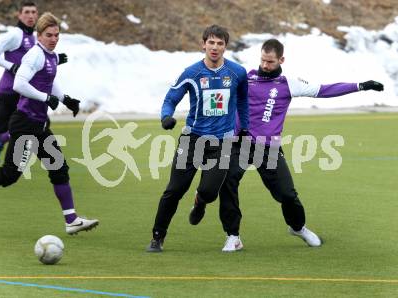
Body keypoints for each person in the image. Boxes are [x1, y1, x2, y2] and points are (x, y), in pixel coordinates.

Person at [214, 38, 384, 252]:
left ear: (281, 59)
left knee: (287, 194)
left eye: (270, 62)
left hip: (269, 148)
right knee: (227, 182)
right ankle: (233, 236)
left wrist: (360, 86)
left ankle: (298, 227)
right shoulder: (246, 78)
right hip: (240, 144)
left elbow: (324, 90)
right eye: (263, 60)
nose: (265, 66)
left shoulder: (289, 84)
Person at [0, 12, 98, 235]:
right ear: (39, 36)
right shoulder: (34, 56)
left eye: (56, 35)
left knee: (59, 169)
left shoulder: (50, 55)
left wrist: (66, 99)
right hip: (25, 126)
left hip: (40, 126)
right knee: (9, 175)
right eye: (49, 35)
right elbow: (19, 85)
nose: (54, 39)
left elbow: (48, 82)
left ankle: (71, 220)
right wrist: (45, 98)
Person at [146, 24, 249, 252]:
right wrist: (166, 117)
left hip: (221, 144)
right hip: (192, 140)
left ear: (225, 47)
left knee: (210, 193)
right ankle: (157, 236)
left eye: (219, 43)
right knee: (174, 190)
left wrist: (245, 129)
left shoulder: (237, 73)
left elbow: (242, 101)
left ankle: (200, 202)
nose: (215, 47)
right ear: (203, 44)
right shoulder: (192, 73)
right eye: (211, 42)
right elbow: (170, 98)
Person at [0, 2, 67, 175]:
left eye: (34, 12)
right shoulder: (15, 34)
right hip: (10, 91)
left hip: (22, 92)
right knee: (30, 125)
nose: (31, 16)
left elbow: (38, 59)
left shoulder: (35, 37)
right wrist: (11, 66)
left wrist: (56, 59)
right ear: (19, 15)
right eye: (27, 12)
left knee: (3, 130)